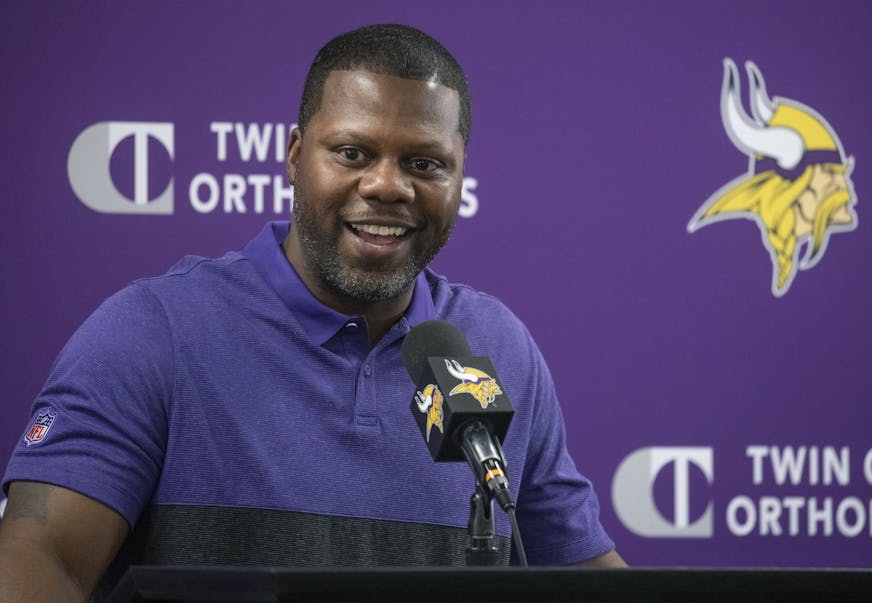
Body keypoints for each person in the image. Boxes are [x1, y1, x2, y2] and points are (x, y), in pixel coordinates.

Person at [0, 24, 625, 602]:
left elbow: (585, 578)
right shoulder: (154, 330)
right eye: (353, 153)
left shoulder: (497, 347)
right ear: (296, 155)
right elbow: (41, 558)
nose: (388, 185)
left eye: (424, 164)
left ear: (460, 177)